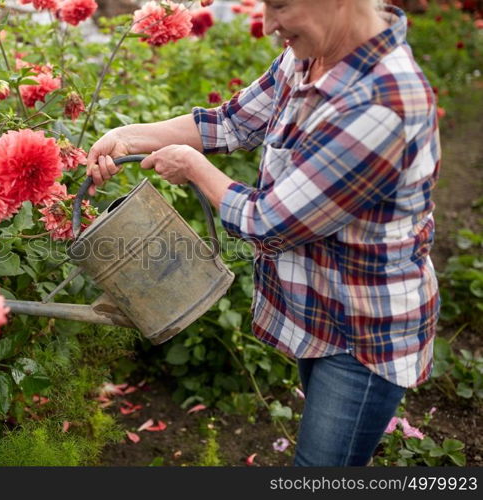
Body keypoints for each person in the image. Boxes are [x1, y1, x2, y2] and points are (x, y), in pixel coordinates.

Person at [86, 0, 441, 466]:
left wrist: (192, 166)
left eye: (280, 6)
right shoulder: (311, 56)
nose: (269, 25)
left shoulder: (385, 102)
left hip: (363, 335)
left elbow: (270, 222)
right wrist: (130, 135)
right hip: (322, 313)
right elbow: (230, 122)